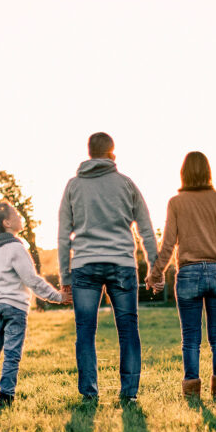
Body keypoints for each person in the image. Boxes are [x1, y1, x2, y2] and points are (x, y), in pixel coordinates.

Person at [58, 132, 158, 402]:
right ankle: (129, 394)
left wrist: (65, 276)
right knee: (128, 329)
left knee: (85, 331)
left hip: (84, 266)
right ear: (112, 152)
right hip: (122, 264)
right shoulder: (126, 184)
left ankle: (89, 394)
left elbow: (63, 233)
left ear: (89, 153)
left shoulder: (73, 186)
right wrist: (154, 268)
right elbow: (146, 229)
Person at [146, 151, 216, 402]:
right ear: (208, 172)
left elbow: (169, 243)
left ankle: (192, 394)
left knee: (190, 338)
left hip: (189, 274)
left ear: (183, 172)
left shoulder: (176, 202)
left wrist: (156, 273)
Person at [0, 201, 71, 407]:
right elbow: (31, 279)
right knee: (12, 354)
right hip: (15, 308)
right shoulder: (16, 247)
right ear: (7, 223)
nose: (20, 217)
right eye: (16, 215)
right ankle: (6, 397)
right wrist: (58, 297)